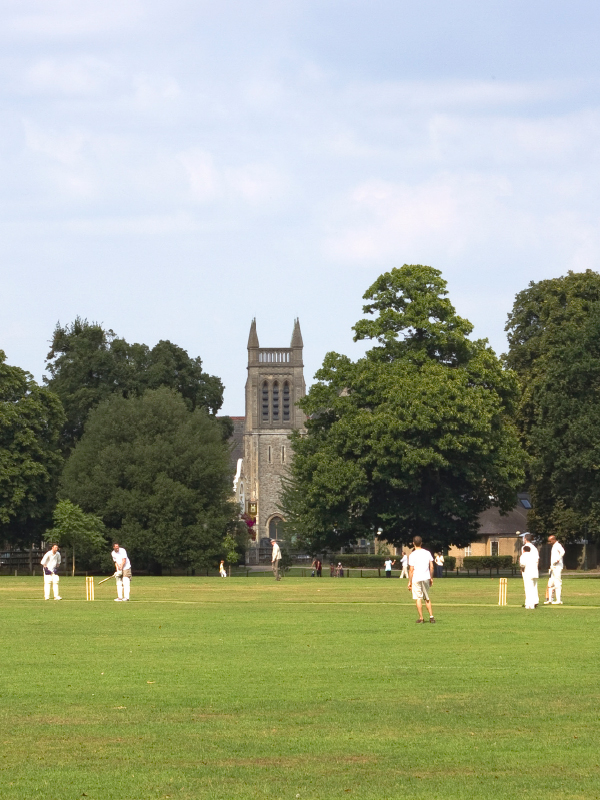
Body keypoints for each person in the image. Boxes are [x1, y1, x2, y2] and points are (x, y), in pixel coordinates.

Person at [408, 537, 435, 623]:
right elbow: (431, 567)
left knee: (418, 598)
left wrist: (410, 582)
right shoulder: (427, 553)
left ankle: (421, 618)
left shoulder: (412, 555)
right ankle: (431, 617)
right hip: (426, 577)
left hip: (416, 578)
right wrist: (431, 577)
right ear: (421, 543)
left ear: (413, 543)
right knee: (427, 598)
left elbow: (411, 570)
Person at [545, 534, 565, 605]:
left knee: (557, 582)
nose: (549, 542)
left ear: (553, 540)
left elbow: (562, 552)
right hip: (552, 567)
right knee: (550, 583)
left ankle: (558, 600)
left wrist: (558, 559)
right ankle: (550, 599)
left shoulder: (558, 545)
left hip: (557, 567)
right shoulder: (553, 546)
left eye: (550, 541)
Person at [519, 545, 539, 609]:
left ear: (524, 550)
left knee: (528, 589)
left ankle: (528, 604)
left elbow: (522, 564)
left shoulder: (523, 555)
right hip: (535, 573)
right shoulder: (534, 555)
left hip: (528, 573)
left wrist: (521, 569)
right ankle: (533, 603)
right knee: (533, 589)